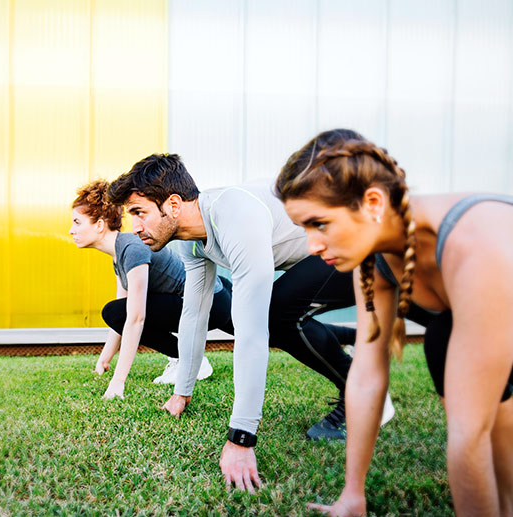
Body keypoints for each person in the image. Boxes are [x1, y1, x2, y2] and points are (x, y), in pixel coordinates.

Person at [108, 154, 394, 494]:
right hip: (333, 248)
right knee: (283, 313)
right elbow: (194, 314)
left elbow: (251, 334)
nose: (134, 228)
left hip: (369, 241)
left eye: (139, 213)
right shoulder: (192, 242)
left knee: (275, 314)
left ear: (172, 205)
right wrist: (182, 392)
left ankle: (364, 394)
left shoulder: (234, 217)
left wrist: (241, 438)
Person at [276, 128, 513, 516]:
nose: (312, 245)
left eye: (319, 223)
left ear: (372, 202)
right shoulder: (374, 257)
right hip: (468, 324)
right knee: (443, 342)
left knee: (475, 435)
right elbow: (368, 375)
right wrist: (353, 494)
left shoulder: (475, 248)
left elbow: (468, 439)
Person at [70, 180, 234, 399]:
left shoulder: (132, 249)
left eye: (77, 222)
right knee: (116, 311)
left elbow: (135, 318)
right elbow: (124, 309)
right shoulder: (121, 252)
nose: (72, 231)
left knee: (115, 312)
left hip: (210, 302)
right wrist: (105, 359)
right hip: (210, 299)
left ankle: (189, 360)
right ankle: (188, 358)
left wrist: (118, 382)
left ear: (100, 225)